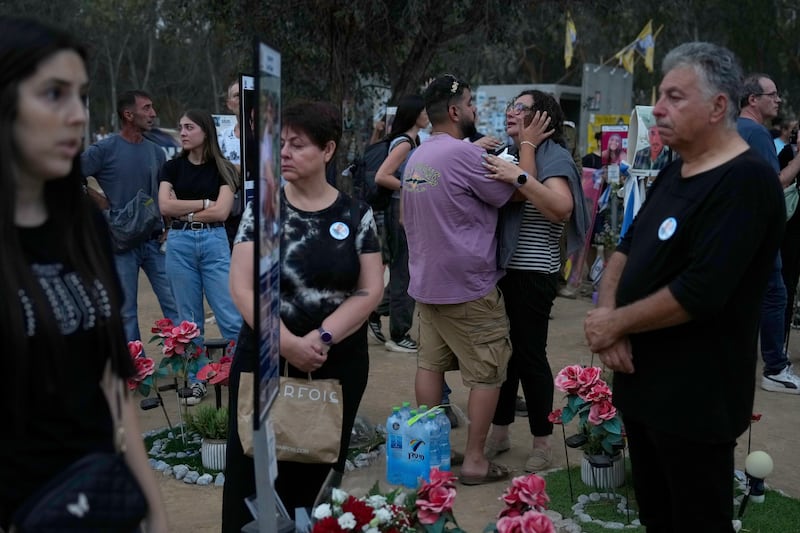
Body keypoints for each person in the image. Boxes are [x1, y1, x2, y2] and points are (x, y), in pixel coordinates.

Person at [584, 42, 784, 531]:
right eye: (659, 96)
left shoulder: (747, 182)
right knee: (657, 515)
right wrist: (608, 319)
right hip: (641, 386)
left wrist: (613, 322)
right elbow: (625, 247)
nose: (657, 108)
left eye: (675, 96)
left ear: (719, 106)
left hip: (696, 400)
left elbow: (702, 290)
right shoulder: (676, 168)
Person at [0, 16, 168, 531]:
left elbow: (116, 400)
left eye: (80, 96)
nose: (76, 115)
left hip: (101, 505)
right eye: (53, 94)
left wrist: (154, 517)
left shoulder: (83, 233)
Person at [222, 100, 383, 528]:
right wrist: (287, 343)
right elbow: (241, 285)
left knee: (317, 481)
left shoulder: (356, 215)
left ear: (328, 150)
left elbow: (370, 289)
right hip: (263, 360)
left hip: (334, 365)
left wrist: (322, 338)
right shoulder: (263, 210)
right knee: (252, 478)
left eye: (298, 145)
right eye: (282, 145)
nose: (285, 154)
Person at [403, 74, 514, 486]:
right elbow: (509, 192)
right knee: (488, 374)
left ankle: (432, 456)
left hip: (427, 284)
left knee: (430, 366)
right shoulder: (464, 156)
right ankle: (474, 461)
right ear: (454, 111)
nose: (474, 111)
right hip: (469, 287)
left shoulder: (418, 156)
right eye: (469, 104)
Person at [481, 90, 587, 473]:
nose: (511, 112)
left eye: (520, 108)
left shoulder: (552, 156)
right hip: (505, 272)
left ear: (542, 119)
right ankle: (500, 431)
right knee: (504, 356)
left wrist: (522, 163)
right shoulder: (513, 153)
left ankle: (542, 441)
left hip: (533, 274)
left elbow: (561, 208)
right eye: (510, 106)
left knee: (530, 356)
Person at [157, 109, 243, 404]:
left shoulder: (225, 169)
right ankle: (198, 380)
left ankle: (238, 373)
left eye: (189, 127)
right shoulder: (171, 167)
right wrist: (204, 202)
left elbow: (222, 211)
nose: (182, 132)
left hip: (214, 241)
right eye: (180, 127)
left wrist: (186, 207)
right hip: (179, 242)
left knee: (230, 315)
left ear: (205, 131)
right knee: (189, 322)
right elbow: (165, 207)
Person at [82, 89, 178, 344]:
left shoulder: (156, 152)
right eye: (146, 108)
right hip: (120, 243)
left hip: (155, 241)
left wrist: (168, 227)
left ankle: (190, 373)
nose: (153, 113)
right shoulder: (104, 149)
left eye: (152, 107)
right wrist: (100, 201)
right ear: (128, 114)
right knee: (126, 313)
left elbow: (161, 193)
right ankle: (137, 376)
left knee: (175, 305)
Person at [737, 73, 800, 393]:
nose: (778, 100)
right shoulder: (757, 133)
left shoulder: (733, 128)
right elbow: (774, 184)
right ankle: (775, 368)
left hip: (736, 230)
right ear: (753, 100)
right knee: (775, 294)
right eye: (772, 94)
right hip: (758, 232)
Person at [372, 94, 428, 353]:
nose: (428, 115)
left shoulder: (411, 140)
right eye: (424, 112)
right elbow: (383, 176)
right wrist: (414, 187)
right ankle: (399, 333)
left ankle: (373, 311)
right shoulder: (405, 143)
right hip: (400, 210)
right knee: (405, 271)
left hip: (403, 208)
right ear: (415, 115)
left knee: (403, 269)